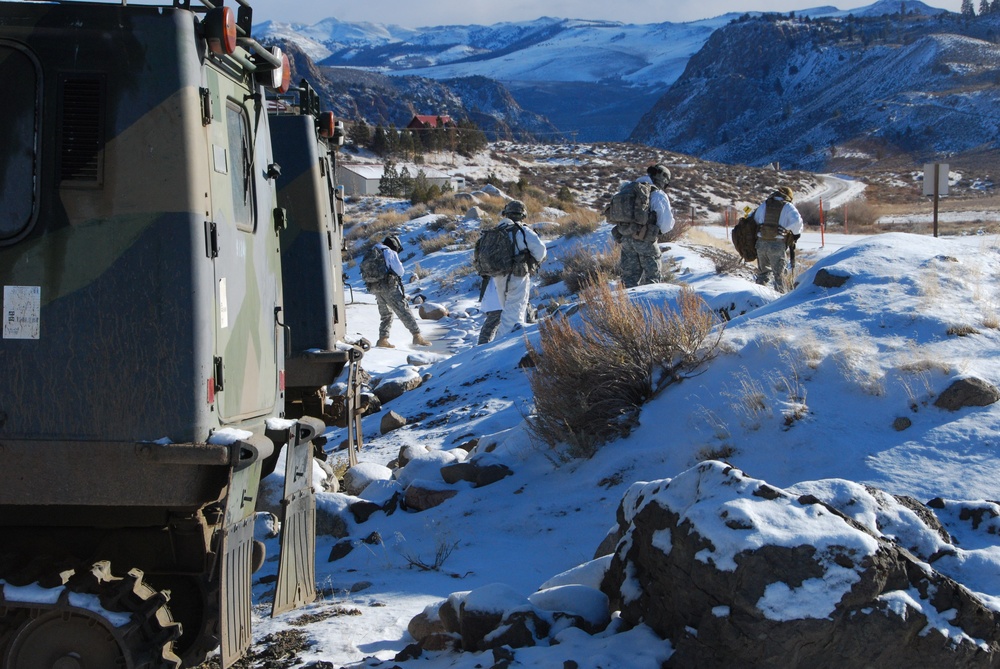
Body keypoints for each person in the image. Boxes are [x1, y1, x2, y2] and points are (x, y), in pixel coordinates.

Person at [492, 200, 547, 337]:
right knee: (514, 314)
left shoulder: (497, 230)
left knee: (507, 310)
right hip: (517, 276)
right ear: (522, 215)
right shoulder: (522, 231)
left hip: (498, 276)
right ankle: (501, 346)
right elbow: (541, 251)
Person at [365, 235, 430, 348]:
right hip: (388, 286)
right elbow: (400, 271)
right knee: (403, 310)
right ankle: (417, 336)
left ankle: (383, 339)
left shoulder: (373, 250)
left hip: (374, 286)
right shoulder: (389, 252)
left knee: (386, 314)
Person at [616, 163, 675, 288]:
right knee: (652, 280)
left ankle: (625, 305)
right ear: (663, 179)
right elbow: (666, 224)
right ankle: (649, 306)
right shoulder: (657, 194)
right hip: (646, 240)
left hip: (626, 238)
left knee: (628, 279)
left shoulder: (629, 188)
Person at [752, 186, 803, 292]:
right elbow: (797, 222)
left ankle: (758, 297)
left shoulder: (765, 204)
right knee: (780, 277)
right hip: (777, 244)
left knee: (763, 274)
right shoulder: (788, 206)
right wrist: (794, 233)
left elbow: (755, 219)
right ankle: (780, 302)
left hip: (761, 244)